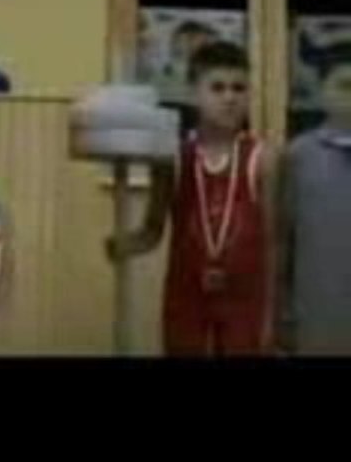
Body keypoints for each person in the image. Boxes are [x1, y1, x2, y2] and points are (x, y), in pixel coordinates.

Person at [108, 41, 277, 356]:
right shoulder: (171, 158)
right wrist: (125, 244)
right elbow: (153, 230)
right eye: (217, 87)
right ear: (193, 93)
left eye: (239, 88)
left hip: (244, 300)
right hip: (186, 297)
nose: (229, 97)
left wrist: (273, 316)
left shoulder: (262, 159)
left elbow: (274, 242)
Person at [279, 40, 351, 355]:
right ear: (323, 91)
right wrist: (281, 309)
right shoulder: (299, 155)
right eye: (345, 85)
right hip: (317, 313)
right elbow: (283, 239)